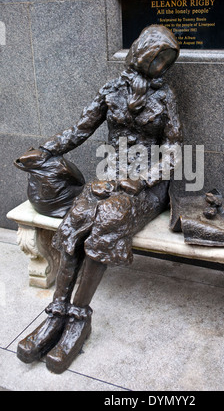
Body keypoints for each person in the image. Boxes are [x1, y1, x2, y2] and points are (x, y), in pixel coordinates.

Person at [17, 25, 182, 374]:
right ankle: (56, 313)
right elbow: (79, 130)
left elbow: (173, 150)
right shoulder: (111, 90)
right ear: (140, 52)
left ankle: (79, 319)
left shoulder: (165, 96)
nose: (159, 66)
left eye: (165, 61)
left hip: (147, 186)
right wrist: (44, 149)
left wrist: (144, 179)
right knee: (78, 214)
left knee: (109, 217)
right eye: (155, 57)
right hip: (109, 177)